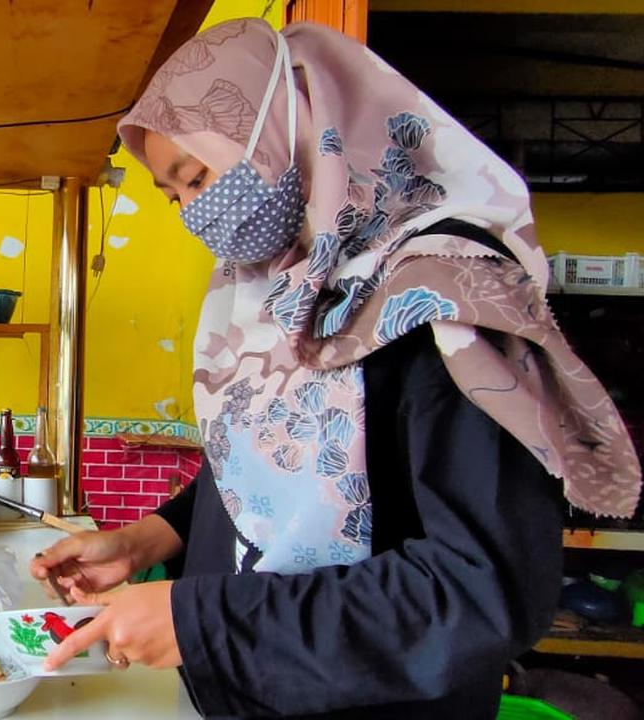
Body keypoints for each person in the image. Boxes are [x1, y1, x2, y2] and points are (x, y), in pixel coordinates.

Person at [31, 17, 641, 719]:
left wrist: (199, 620)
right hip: (235, 692)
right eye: (174, 196)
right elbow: (267, 472)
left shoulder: (441, 301)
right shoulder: (281, 289)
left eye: (198, 177)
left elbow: (482, 591)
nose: (194, 215)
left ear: (297, 128)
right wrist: (149, 539)